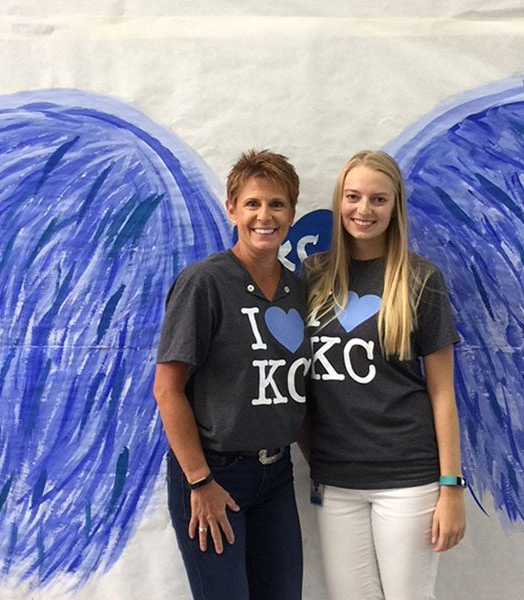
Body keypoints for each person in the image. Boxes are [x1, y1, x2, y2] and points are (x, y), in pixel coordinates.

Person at [301, 150, 466, 600]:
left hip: (409, 479)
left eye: (378, 199)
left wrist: (451, 487)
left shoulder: (419, 280)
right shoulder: (312, 276)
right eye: (353, 197)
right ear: (339, 203)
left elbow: (442, 394)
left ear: (395, 207)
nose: (364, 210)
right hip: (335, 480)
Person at [154, 149, 309, 600]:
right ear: (232, 210)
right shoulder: (205, 282)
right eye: (253, 203)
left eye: (277, 204)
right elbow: (167, 390)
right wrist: (200, 482)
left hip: (276, 475)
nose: (265, 215)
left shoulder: (298, 290)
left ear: (292, 213)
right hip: (214, 475)